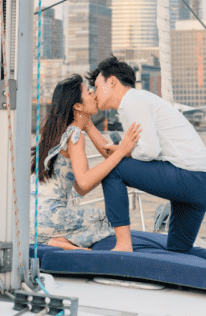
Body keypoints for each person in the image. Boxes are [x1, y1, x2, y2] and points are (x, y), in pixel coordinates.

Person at [75, 56, 206, 312]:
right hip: (205, 182)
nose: (95, 93)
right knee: (179, 251)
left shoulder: (132, 101)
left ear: (112, 82)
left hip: (189, 178)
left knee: (113, 170)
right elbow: (143, 150)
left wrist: (123, 151)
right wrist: (120, 148)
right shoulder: (139, 101)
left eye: (97, 86)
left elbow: (148, 151)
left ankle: (123, 245)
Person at [30, 74, 142, 250]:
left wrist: (88, 125)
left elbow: (80, 188)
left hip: (31, 219)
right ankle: (62, 242)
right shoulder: (75, 135)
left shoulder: (59, 133)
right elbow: (84, 182)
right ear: (78, 106)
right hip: (49, 218)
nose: (94, 94)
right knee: (106, 219)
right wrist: (122, 150)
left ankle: (57, 240)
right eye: (89, 92)